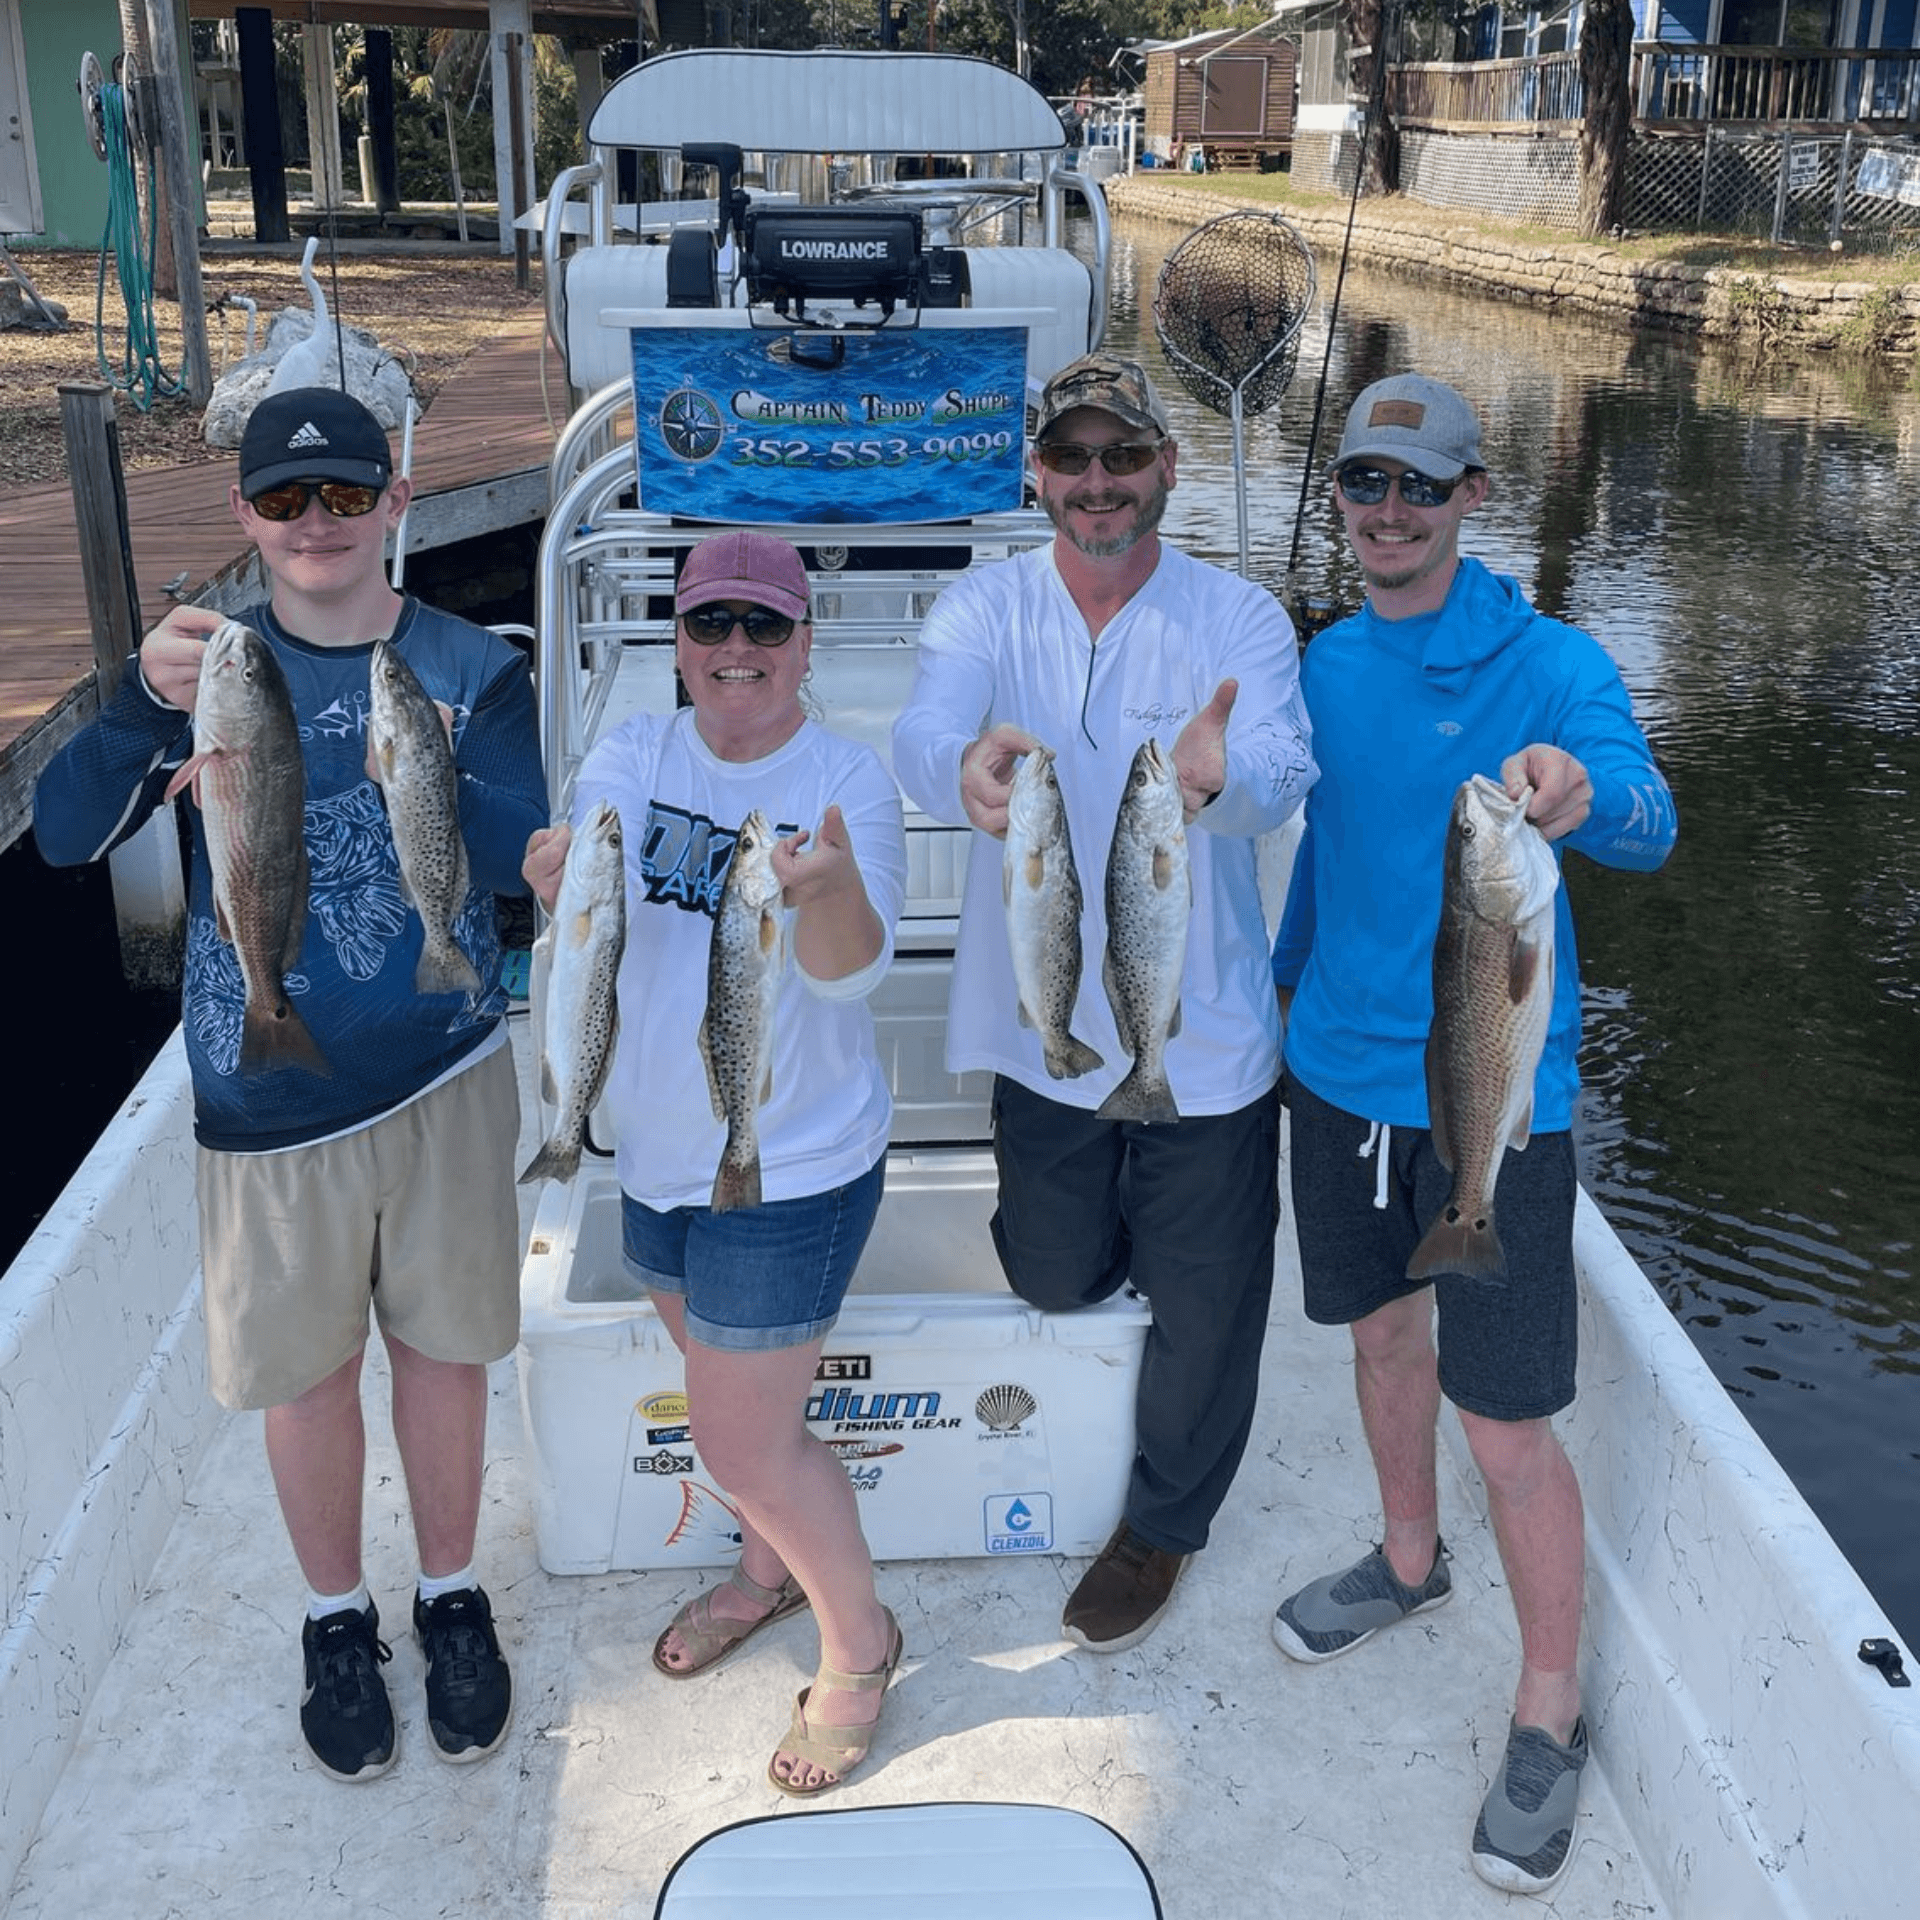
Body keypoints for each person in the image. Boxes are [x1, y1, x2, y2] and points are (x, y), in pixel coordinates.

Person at [34, 387, 547, 1784]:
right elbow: (71, 831)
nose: (316, 523)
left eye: (344, 495)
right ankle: (336, 1617)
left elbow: (514, 861)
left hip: (444, 1072)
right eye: (283, 500)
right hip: (262, 1099)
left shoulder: (460, 663)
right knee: (308, 1383)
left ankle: (449, 1592)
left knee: (444, 1358)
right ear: (244, 518)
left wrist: (432, 761)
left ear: (395, 502)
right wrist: (142, 706)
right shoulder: (211, 666)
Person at [1268, 373, 1678, 1894]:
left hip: (1495, 1101)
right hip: (1339, 1082)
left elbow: (1649, 815)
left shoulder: (1554, 660)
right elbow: (1326, 847)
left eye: (1417, 489)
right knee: (1379, 1344)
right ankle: (1405, 1560)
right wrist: (1278, 989)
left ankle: (1549, 1704)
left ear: (1471, 499)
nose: (1386, 514)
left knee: (1505, 1423)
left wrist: (1586, 797)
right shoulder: (1323, 662)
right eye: (1364, 486)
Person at [891, 351, 1317, 1653]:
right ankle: (1126, 1241)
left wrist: (1219, 779)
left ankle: (1165, 1524)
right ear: (1036, 473)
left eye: (1122, 457)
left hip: (1208, 1042)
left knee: (1207, 1308)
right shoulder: (983, 610)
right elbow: (924, 731)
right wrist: (954, 765)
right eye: (1071, 458)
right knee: (1058, 1275)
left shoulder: (1238, 619)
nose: (1096, 485)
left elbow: (1282, 772)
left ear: (1165, 472)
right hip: (1043, 1027)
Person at [521, 530, 908, 1797]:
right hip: (657, 1155)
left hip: (787, 1166)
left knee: (740, 1445)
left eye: (764, 627)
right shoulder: (634, 747)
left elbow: (854, 968)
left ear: (805, 643)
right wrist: (554, 874)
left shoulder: (846, 775)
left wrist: (829, 888)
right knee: (741, 1410)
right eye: (710, 625)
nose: (735, 652)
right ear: (677, 639)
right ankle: (763, 1572)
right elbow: (588, 890)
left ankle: (859, 1646)